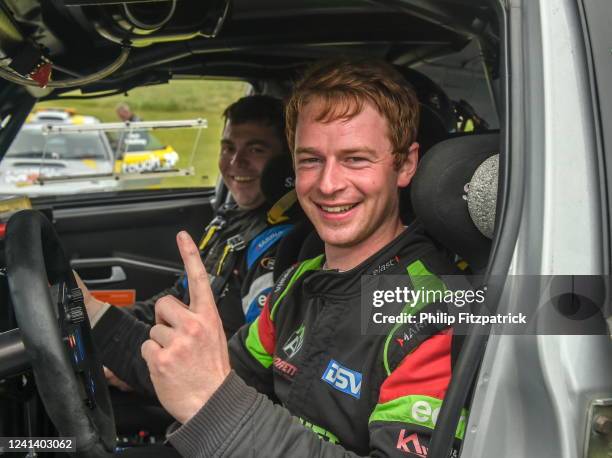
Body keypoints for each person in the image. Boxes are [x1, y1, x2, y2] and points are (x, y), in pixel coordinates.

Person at [84, 59, 464, 457]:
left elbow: (212, 393)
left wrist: (217, 405)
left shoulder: (433, 315)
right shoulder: (296, 283)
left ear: (404, 165)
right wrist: (92, 314)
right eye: (310, 160)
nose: (328, 184)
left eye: (355, 159)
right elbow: (201, 377)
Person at [82, 95, 299, 388]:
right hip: (178, 361)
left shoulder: (280, 244)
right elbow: (178, 295)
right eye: (228, 148)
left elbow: (252, 361)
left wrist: (139, 367)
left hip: (209, 387)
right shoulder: (230, 218)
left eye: (256, 149)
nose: (236, 162)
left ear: (284, 163)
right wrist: (111, 319)